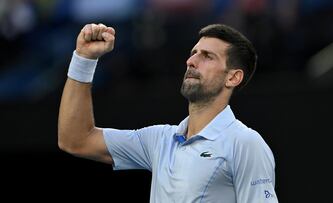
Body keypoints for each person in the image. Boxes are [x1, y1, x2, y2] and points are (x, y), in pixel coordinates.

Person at [58, 23, 278, 203]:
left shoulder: (245, 142)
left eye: (207, 56)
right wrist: (84, 59)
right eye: (193, 53)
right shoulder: (160, 140)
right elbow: (75, 139)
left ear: (233, 77)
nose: (191, 61)